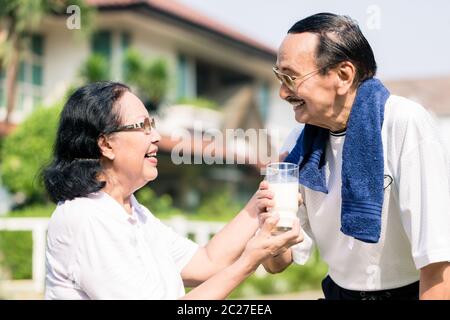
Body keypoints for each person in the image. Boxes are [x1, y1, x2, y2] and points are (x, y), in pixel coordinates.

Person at [43, 81, 303, 300]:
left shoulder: (134, 213)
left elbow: (206, 262)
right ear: (106, 144)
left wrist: (260, 201)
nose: (156, 135)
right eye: (143, 126)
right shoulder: (87, 218)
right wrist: (248, 261)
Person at [256, 13, 450, 300]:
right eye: (279, 77)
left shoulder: (403, 123)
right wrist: (269, 223)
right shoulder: (299, 142)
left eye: (291, 77)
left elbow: (438, 264)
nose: (283, 92)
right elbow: (277, 263)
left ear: (344, 76)